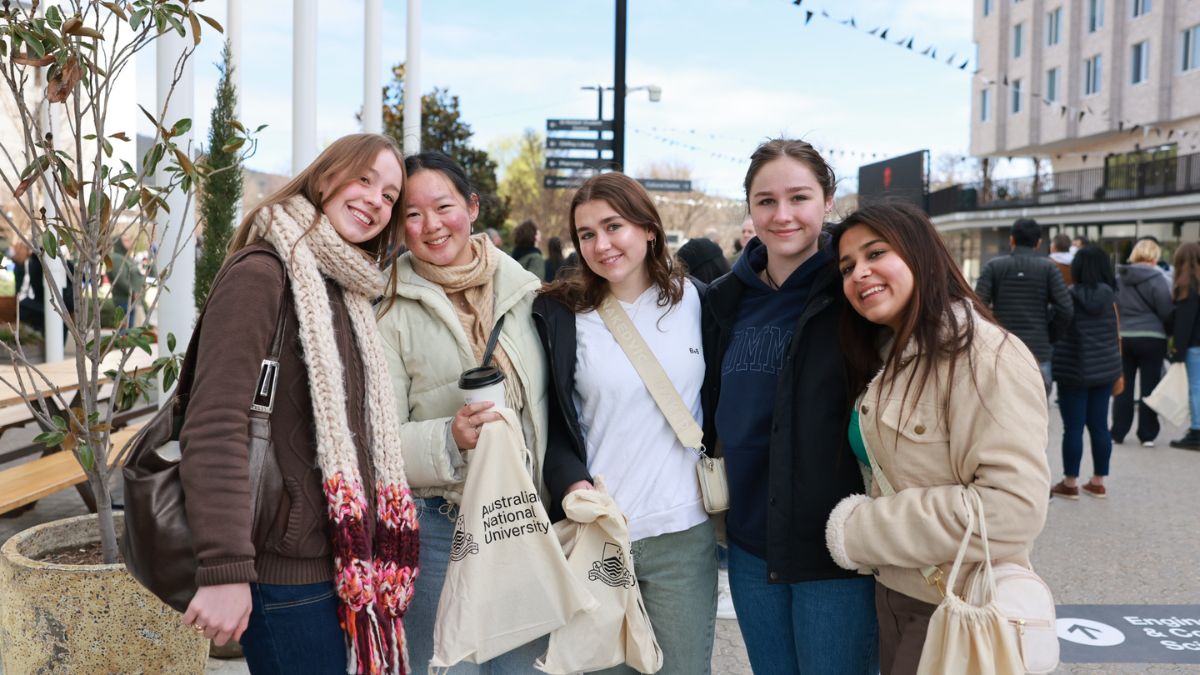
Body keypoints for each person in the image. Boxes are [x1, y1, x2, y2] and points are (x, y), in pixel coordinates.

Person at [178, 133, 419, 674]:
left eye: (388, 195)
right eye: (364, 179)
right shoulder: (262, 273)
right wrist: (225, 569)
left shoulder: (348, 289)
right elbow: (214, 424)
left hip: (340, 561)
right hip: (283, 574)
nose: (375, 201)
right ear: (325, 177)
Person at [826, 201, 1051, 675]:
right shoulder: (889, 355)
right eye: (848, 267)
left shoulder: (984, 355)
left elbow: (1013, 507)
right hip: (896, 594)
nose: (859, 273)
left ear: (920, 255)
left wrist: (859, 530)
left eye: (876, 253)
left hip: (955, 604)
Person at [702, 139, 878, 674]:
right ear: (750, 209)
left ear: (827, 201)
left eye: (798, 198)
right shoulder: (723, 300)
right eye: (765, 201)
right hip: (753, 548)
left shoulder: (857, 293)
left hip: (838, 551)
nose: (782, 216)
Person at [533, 171, 718, 675]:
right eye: (587, 234)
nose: (601, 244)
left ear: (649, 229)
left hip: (682, 534)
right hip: (599, 534)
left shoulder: (700, 301)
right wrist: (572, 486)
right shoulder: (560, 314)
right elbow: (550, 421)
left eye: (614, 226)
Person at [376, 151, 549, 673]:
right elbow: (376, 439)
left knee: (521, 667)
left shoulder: (526, 293)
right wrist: (449, 437)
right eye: (411, 214)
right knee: (447, 666)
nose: (430, 226)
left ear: (472, 207)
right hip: (438, 529)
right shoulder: (386, 308)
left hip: (520, 518)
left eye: (444, 206)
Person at [1050, 246, 1122, 499]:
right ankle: (1098, 481)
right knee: (1100, 426)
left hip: (1073, 370)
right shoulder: (1111, 297)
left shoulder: (1067, 296)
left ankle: (1070, 483)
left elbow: (1055, 327)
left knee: (1073, 428)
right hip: (1104, 370)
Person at [974, 217, 1073, 397]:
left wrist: (991, 334)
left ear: (1011, 239)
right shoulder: (1049, 269)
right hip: (1038, 352)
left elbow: (977, 307)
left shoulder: (993, 267)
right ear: (1039, 243)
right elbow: (1066, 309)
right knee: (1037, 416)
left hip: (1001, 350)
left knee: (1002, 414)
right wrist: (1050, 335)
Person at [1112, 238, 1175, 446]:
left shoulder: (1119, 277)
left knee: (1124, 386)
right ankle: (1147, 434)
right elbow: (1166, 309)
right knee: (1150, 386)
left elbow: (1115, 307)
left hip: (1125, 337)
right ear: (1155, 255)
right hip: (1152, 337)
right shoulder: (1159, 278)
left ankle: (1118, 432)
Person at [1169, 242, 1200, 451]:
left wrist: (1177, 352)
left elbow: (1184, 323)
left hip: (1194, 346)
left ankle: (1197, 430)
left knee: (1195, 389)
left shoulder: (1188, 285)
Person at [109, 231, 146, 326]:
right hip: (125, 301)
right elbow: (121, 280)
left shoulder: (126, 258)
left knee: (132, 332)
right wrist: (133, 292)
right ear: (118, 243)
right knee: (125, 332)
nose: (129, 242)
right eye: (125, 240)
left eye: (129, 239)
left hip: (133, 301)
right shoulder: (116, 259)